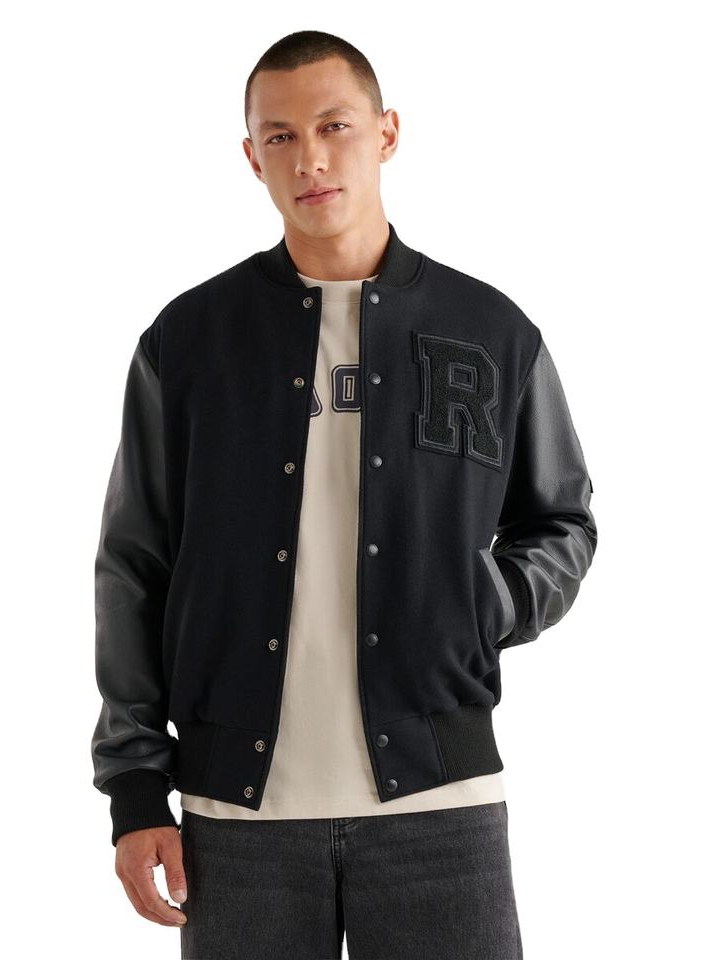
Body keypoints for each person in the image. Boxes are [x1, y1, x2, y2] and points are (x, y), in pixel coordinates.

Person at [90, 29, 597, 960]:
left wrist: (487, 601)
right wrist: (134, 787)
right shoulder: (189, 340)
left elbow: (561, 521)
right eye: (280, 137)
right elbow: (133, 565)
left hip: (442, 809)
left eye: (334, 126)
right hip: (235, 820)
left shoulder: (488, 330)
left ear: (387, 132)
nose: (310, 159)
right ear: (252, 157)